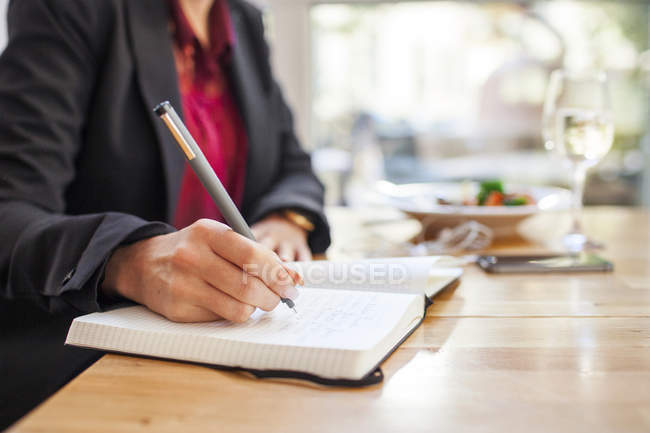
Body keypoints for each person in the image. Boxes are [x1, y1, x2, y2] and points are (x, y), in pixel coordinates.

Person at [0, 0, 330, 427]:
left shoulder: (241, 20)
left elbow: (292, 164)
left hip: (225, 352)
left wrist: (286, 218)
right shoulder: (70, 8)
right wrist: (129, 261)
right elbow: (9, 211)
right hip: (92, 373)